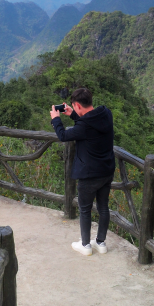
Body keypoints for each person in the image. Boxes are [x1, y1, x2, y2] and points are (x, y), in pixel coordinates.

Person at [50, 88, 115, 256]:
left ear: (77, 104)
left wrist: (56, 119)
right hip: (107, 170)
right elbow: (89, 124)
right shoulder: (106, 114)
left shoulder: (84, 126)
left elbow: (63, 135)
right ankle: (100, 243)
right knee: (103, 207)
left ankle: (85, 245)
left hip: (89, 174)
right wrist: (73, 114)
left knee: (85, 209)